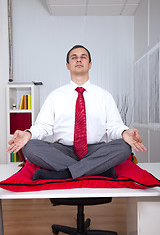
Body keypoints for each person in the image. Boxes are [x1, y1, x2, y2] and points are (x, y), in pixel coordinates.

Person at [7, 45, 146, 181]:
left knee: (124, 147)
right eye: (74, 57)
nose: (79, 60)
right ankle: (97, 170)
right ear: (68, 65)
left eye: (83, 57)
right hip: (62, 151)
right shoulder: (55, 96)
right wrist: (28, 134)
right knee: (30, 147)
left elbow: (114, 126)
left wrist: (124, 132)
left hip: (96, 150)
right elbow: (43, 126)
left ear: (90, 64)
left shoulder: (104, 96)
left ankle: (64, 174)